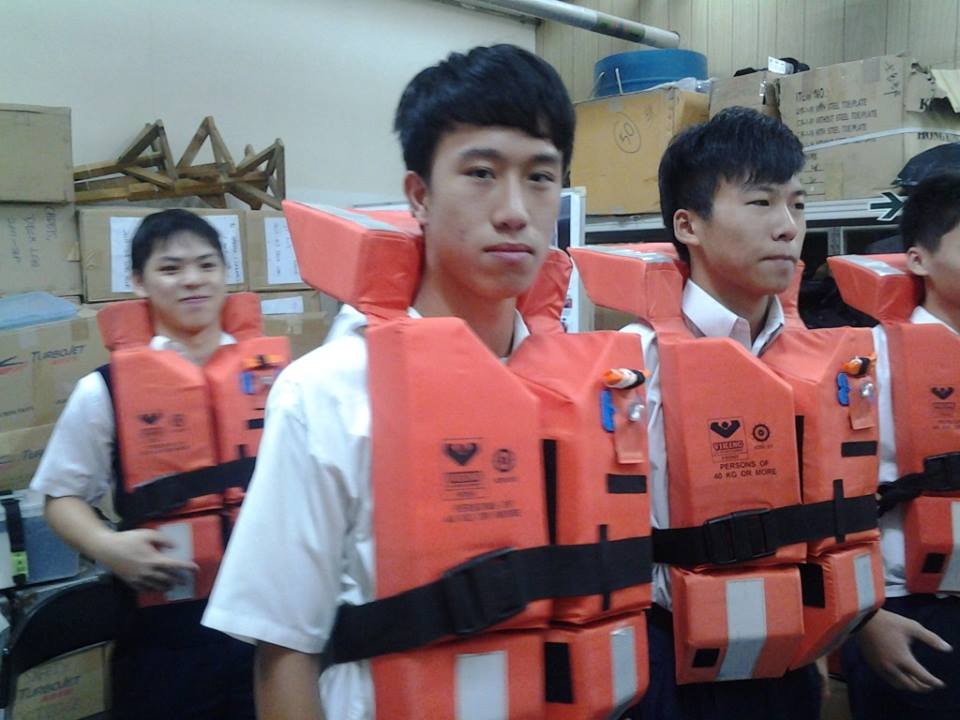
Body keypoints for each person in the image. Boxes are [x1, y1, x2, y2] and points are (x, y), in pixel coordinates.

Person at [202, 44, 575, 719]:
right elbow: (283, 652)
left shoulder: (576, 389)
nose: (515, 210)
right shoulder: (327, 392)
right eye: (482, 173)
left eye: (541, 177)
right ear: (419, 197)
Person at [622, 107, 823, 719]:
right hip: (672, 664)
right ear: (688, 225)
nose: (788, 227)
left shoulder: (822, 360)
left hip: (792, 658)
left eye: (798, 204)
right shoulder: (635, 364)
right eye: (761, 203)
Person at [31, 209, 257, 720]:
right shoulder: (104, 390)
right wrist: (107, 547)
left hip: (266, 619)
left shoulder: (274, 379)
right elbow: (61, 497)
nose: (193, 280)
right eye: (171, 268)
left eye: (207, 265)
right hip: (165, 634)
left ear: (226, 274)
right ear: (138, 282)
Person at [840, 172, 960, 720]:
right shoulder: (866, 366)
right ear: (918, 259)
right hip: (908, 614)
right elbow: (828, 502)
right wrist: (864, 619)